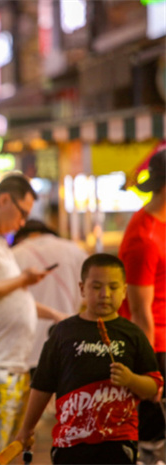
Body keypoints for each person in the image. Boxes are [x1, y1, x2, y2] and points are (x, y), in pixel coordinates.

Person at [0, 175, 66, 465]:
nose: (21, 223)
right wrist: (23, 278)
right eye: (22, 214)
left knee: (4, 448)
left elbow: (12, 298)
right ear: (4, 200)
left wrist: (54, 314)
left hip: (10, 360)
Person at [16, 254, 164, 464]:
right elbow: (42, 386)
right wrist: (26, 429)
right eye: (96, 287)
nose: (105, 294)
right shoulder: (63, 333)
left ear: (124, 290)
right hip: (70, 443)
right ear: (82, 288)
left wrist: (131, 380)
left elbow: (154, 388)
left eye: (113, 287)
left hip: (118, 441)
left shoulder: (133, 334)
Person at [119, 149, 166, 464]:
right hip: (157, 347)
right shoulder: (143, 238)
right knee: (154, 442)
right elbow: (139, 312)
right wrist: (149, 373)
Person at [12, 220, 88, 371]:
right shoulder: (75, 251)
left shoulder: (14, 255)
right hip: (72, 342)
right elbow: (89, 298)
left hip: (28, 350)